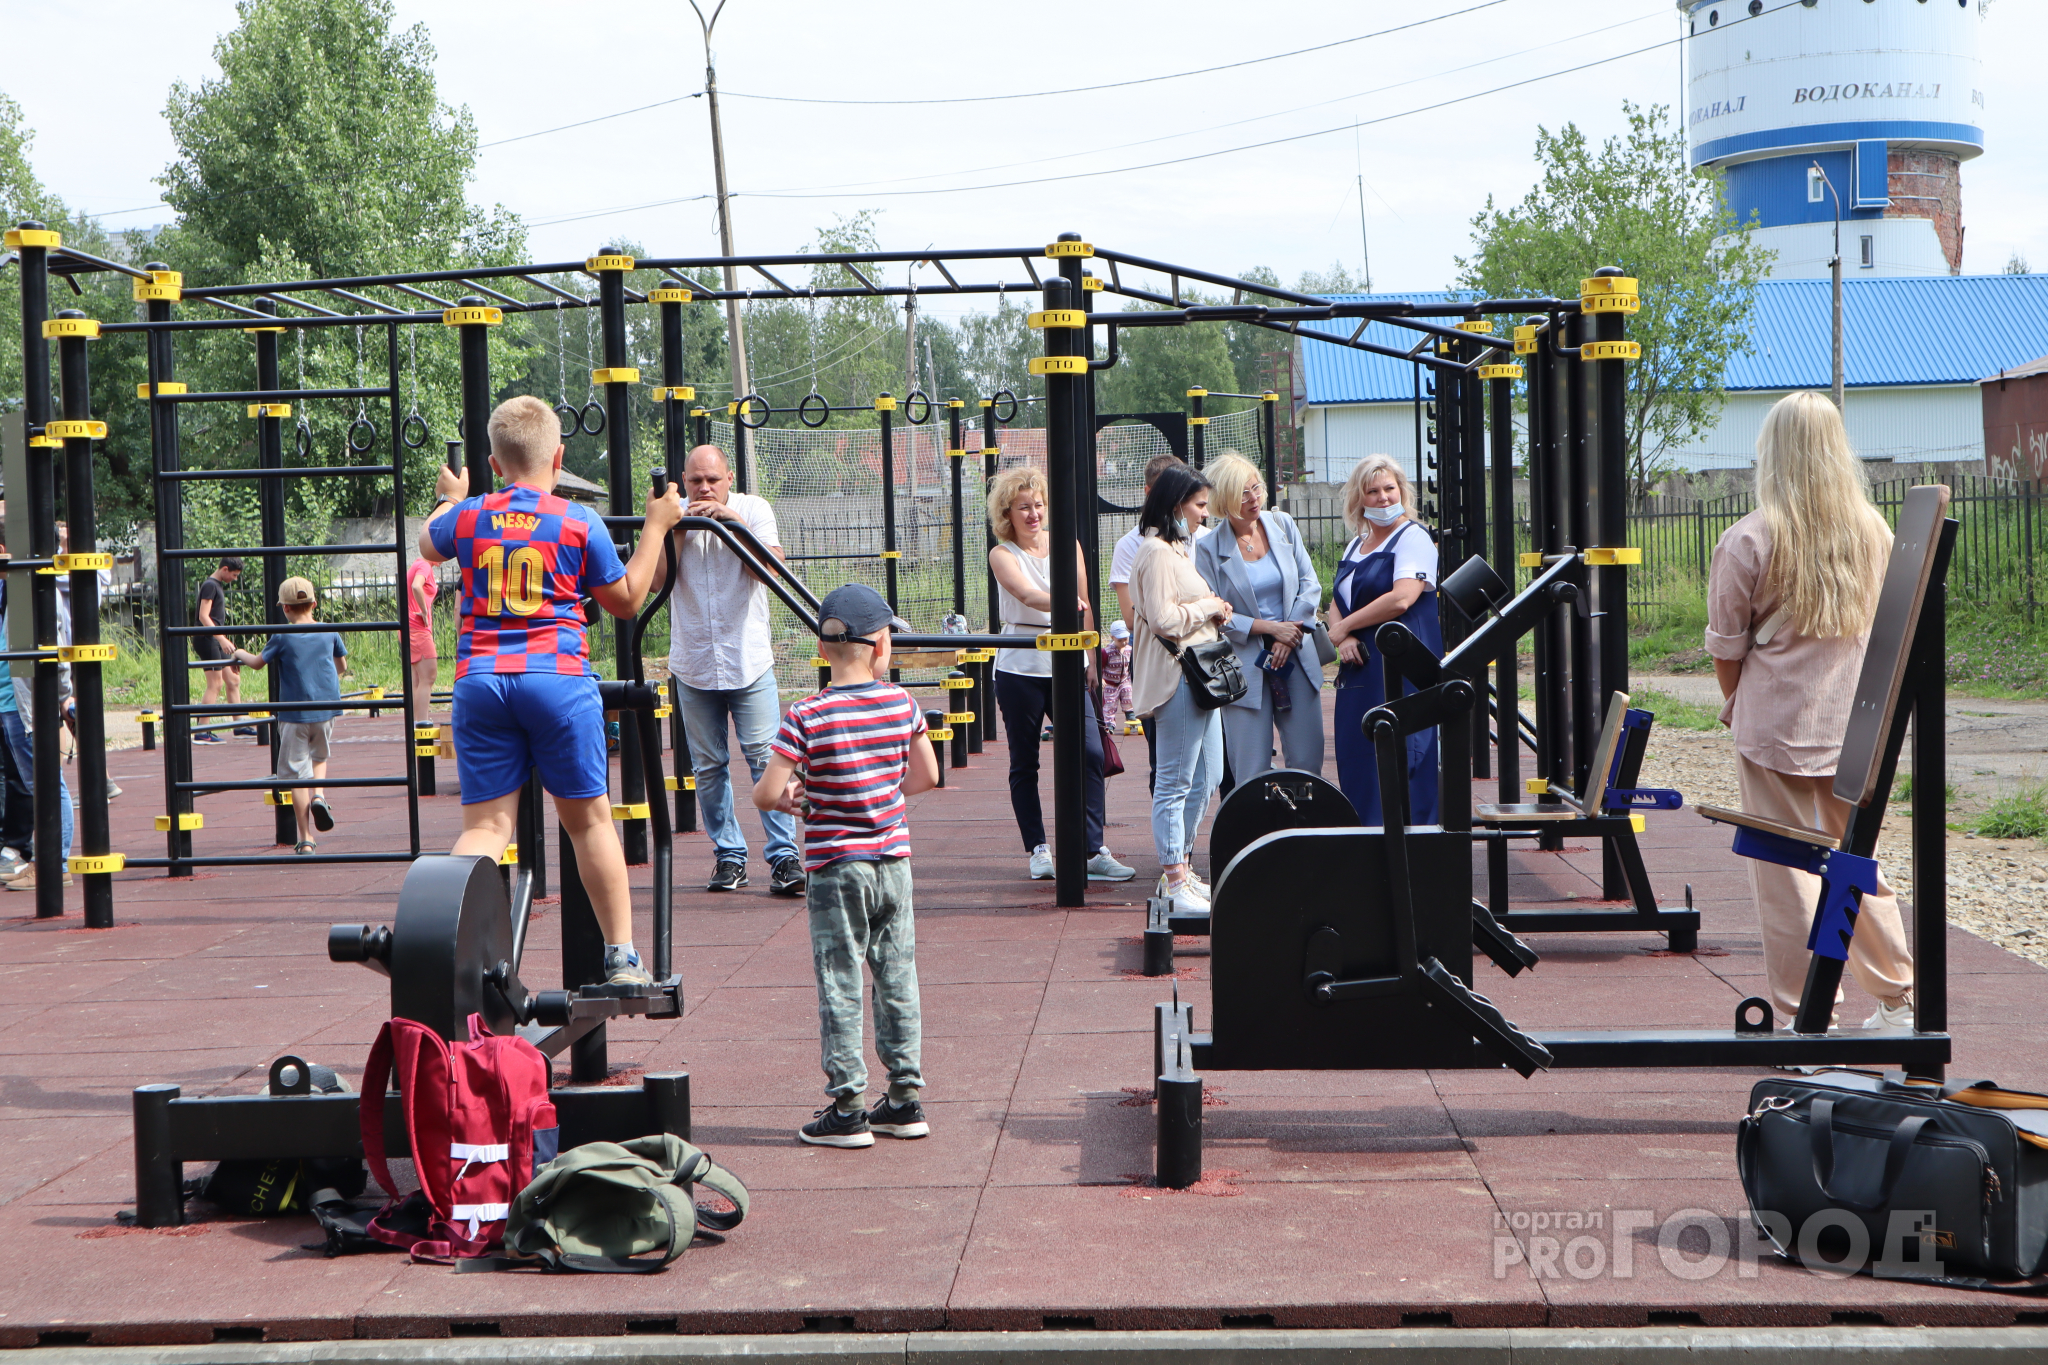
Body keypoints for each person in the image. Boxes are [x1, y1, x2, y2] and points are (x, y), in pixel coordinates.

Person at [418, 394, 684, 988]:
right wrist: (657, 526)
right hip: (557, 681)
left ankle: (439, 938)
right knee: (589, 822)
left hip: (482, 682)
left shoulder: (470, 514)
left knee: (487, 828)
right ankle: (621, 956)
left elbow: (427, 544)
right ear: (559, 457)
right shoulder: (576, 521)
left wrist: (451, 496)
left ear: (492, 463)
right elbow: (626, 600)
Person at [1706, 390, 1914, 1030]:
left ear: (1771, 452)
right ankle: (1899, 996)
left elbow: (1726, 646)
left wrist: (1737, 704)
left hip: (1775, 730)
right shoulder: (1875, 532)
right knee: (1854, 860)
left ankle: (1806, 1018)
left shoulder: (1749, 539)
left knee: (1788, 875)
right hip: (1854, 726)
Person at [753, 584, 940, 1148]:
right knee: (896, 974)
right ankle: (905, 1099)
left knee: (840, 979)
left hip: (835, 864)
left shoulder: (806, 713)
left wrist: (795, 798)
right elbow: (927, 776)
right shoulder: (901, 705)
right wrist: (881, 793)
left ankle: (849, 1106)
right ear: (881, 647)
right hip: (893, 859)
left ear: (822, 646)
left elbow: (766, 793)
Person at [985, 465, 1134, 884]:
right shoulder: (1003, 553)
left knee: (1089, 751)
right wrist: (1066, 602)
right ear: (1007, 513)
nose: (1033, 514)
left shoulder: (1066, 545)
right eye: (1023, 507)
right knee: (1024, 761)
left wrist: (1091, 659)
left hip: (1066, 661)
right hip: (1021, 666)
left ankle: (1092, 848)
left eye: (1038, 505)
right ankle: (1037, 847)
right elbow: (1026, 594)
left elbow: (1086, 602)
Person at [668, 444, 803, 897]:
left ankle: (784, 856)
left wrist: (734, 525)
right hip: (695, 661)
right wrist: (677, 525)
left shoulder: (752, 509)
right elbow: (653, 582)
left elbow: (772, 571)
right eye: (695, 482)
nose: (704, 490)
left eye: (712, 480)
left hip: (746, 659)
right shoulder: (674, 515)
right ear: (683, 482)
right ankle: (729, 855)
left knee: (767, 758)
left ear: (729, 479)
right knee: (707, 766)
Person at [1126, 462, 1233, 913]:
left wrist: (1207, 607)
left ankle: (1182, 872)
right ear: (1176, 505)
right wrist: (1209, 606)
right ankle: (1174, 878)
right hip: (1179, 677)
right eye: (1200, 505)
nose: (1205, 515)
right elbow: (1164, 618)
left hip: (1197, 676)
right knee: (1175, 781)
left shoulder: (1174, 550)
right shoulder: (1155, 552)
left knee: (1208, 775)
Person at [1193, 451, 1324, 781]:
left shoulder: (1283, 524)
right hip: (1243, 666)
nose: (1254, 499)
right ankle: (1258, 831)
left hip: (1295, 654)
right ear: (1223, 499)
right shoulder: (1208, 549)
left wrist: (1288, 632)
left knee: (1308, 763)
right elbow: (1214, 612)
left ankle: (1305, 830)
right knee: (1251, 768)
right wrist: (1269, 629)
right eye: (1243, 493)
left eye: (1256, 488)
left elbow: (1309, 584)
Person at [1326, 454, 1441, 825]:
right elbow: (1336, 603)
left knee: (1403, 756)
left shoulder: (1414, 538)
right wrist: (1342, 636)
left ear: (1402, 490)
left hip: (1400, 673)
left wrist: (1346, 628)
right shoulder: (1354, 545)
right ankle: (1367, 851)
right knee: (1359, 758)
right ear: (1359, 499)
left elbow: (1402, 597)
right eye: (1372, 491)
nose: (1383, 497)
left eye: (1389, 488)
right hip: (1358, 672)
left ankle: (1412, 858)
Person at [229, 578, 348, 855]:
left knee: (296, 774)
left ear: (284, 609)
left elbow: (258, 663)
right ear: (314, 604)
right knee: (319, 756)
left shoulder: (281, 635)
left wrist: (239, 653)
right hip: (326, 708)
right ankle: (319, 795)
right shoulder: (329, 631)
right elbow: (341, 665)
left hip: (294, 713)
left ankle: (306, 838)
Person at [1110, 452, 1203, 792]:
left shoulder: (1201, 537)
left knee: (1209, 768)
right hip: (1160, 658)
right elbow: (1135, 617)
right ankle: (1173, 846)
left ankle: (1190, 841)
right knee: (1166, 765)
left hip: (1202, 655)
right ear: (1155, 494)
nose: (1200, 511)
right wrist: (1202, 609)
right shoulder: (1138, 546)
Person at [194, 558, 254, 742]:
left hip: (215, 639)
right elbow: (203, 616)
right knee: (215, 684)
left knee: (233, 679)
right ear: (225, 569)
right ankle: (202, 731)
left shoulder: (217, 585)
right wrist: (221, 639)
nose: (235, 579)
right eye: (234, 575)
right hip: (208, 639)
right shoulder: (210, 586)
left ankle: (239, 725)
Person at [405, 555, 439, 716]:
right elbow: (416, 586)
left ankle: (416, 724)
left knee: (417, 680)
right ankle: (422, 724)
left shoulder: (418, 563)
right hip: (418, 628)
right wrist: (424, 610)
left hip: (410, 626)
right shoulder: (424, 566)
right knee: (429, 675)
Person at [1100, 620, 1133, 732]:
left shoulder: (1129, 650)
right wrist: (1101, 678)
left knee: (1128, 692)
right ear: (1112, 637)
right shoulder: (1106, 651)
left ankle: (1130, 713)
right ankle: (1109, 723)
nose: (1123, 643)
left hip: (1124, 680)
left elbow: (1132, 665)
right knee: (1109, 703)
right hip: (1110, 682)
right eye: (1120, 640)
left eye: (1126, 639)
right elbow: (1100, 666)